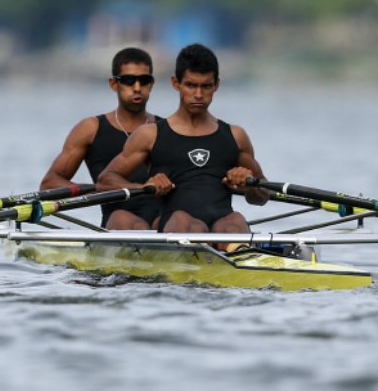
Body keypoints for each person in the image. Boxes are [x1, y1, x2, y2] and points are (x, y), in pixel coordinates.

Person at [96, 43, 269, 243]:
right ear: (176, 83)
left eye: (206, 86)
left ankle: (236, 258)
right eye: (190, 85)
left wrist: (251, 188)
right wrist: (143, 186)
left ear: (217, 85)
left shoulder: (235, 135)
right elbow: (105, 180)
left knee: (235, 223)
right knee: (190, 225)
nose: (198, 94)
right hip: (178, 224)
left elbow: (264, 194)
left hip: (224, 225)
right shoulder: (150, 135)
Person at [39, 47, 161, 230]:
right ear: (114, 84)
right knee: (131, 223)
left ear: (151, 84)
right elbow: (48, 184)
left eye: (143, 81)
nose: (137, 88)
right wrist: (101, 188)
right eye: (128, 80)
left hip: (162, 220)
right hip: (119, 220)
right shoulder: (91, 128)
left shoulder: (166, 129)